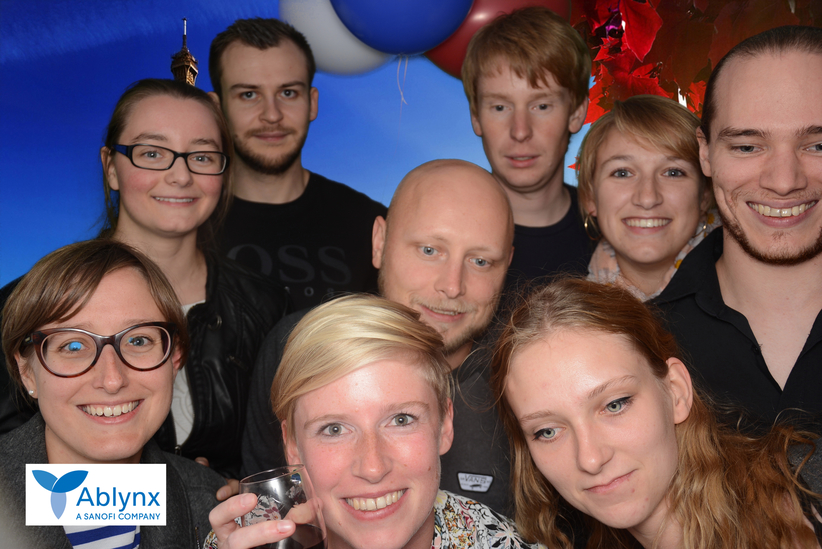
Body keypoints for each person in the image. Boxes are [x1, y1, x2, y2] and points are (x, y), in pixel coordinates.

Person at [0, 79, 290, 482]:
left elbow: (286, 447)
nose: (180, 176)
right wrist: (169, 491)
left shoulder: (269, 307)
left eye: (202, 156)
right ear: (111, 168)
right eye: (152, 153)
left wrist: (228, 493)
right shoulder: (20, 306)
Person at [242, 159, 517, 514]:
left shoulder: (525, 374)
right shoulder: (299, 348)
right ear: (379, 242)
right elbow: (269, 514)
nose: (452, 286)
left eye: (480, 261)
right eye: (429, 250)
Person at [491, 278, 822, 549]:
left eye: (614, 405)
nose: (590, 459)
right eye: (548, 431)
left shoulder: (809, 488)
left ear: (676, 391)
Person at [206, 294, 540, 549]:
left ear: (445, 426)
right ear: (291, 445)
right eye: (334, 429)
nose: (373, 467)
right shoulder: (239, 544)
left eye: (401, 419)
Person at [0, 240, 226, 548]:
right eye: (73, 346)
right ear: (27, 371)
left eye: (138, 341)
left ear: (174, 359)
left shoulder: (215, 510)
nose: (112, 380)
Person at [653, 26, 822, 426]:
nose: (784, 181)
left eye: (818, 145)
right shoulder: (638, 344)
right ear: (705, 153)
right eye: (747, 146)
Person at [208, 18, 387, 310]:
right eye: (249, 94)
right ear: (217, 108)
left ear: (312, 103)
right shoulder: (186, 224)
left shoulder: (370, 225)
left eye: (288, 93)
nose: (272, 115)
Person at [462, 6, 593, 287]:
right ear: (476, 117)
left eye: (542, 106)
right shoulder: (441, 237)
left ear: (576, 113)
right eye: (500, 107)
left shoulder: (616, 237)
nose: (520, 131)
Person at [576, 95, 719, 301]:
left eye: (673, 172)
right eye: (622, 173)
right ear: (590, 196)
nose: (647, 198)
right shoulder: (576, 310)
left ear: (704, 194)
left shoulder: (746, 288)